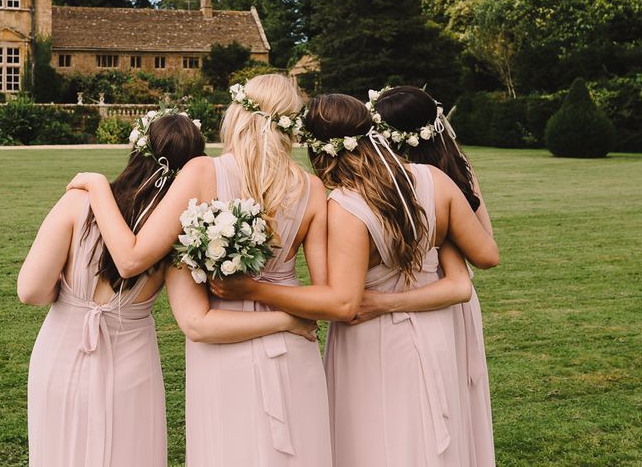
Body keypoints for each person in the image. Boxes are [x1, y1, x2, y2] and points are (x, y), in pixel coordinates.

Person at [211, 93, 498, 466]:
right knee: (433, 441)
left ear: (318, 151)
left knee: (376, 443)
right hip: (437, 331)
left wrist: (252, 288)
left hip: (374, 341)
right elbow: (484, 256)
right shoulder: (434, 180)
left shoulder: (347, 207)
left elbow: (344, 304)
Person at [19, 109, 313, 467]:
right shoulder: (180, 236)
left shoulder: (76, 204)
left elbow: (31, 291)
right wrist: (286, 321)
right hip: (131, 366)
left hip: (60, 355)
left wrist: (70, 296)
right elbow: (197, 321)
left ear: (137, 148)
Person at [362, 85, 496, 466]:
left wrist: (448, 234)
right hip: (446, 296)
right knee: (450, 401)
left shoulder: (398, 181)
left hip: (444, 296)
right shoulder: (455, 169)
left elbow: (486, 252)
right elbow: (486, 251)